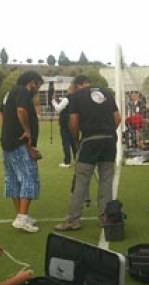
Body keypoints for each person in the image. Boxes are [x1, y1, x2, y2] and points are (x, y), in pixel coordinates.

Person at [54, 75, 121, 231]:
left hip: (90, 141)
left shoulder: (77, 96)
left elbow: (73, 121)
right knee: (106, 180)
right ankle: (105, 217)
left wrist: (77, 140)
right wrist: (108, 131)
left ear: (78, 85)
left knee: (81, 180)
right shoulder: (106, 92)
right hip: (109, 141)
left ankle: (73, 220)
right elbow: (117, 118)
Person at [0, 70, 44, 233]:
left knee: (13, 179)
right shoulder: (23, 92)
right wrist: (27, 131)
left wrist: (6, 129)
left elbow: (1, 111)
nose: (37, 89)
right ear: (32, 82)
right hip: (19, 143)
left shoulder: (11, 92)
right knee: (29, 177)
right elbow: (21, 111)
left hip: (7, 142)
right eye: (37, 85)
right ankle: (22, 218)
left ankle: (20, 215)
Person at [51, 84, 77, 168]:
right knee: (74, 143)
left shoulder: (67, 99)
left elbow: (58, 109)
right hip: (74, 123)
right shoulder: (76, 98)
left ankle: (67, 162)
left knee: (66, 143)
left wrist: (53, 102)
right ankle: (77, 160)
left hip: (65, 123)